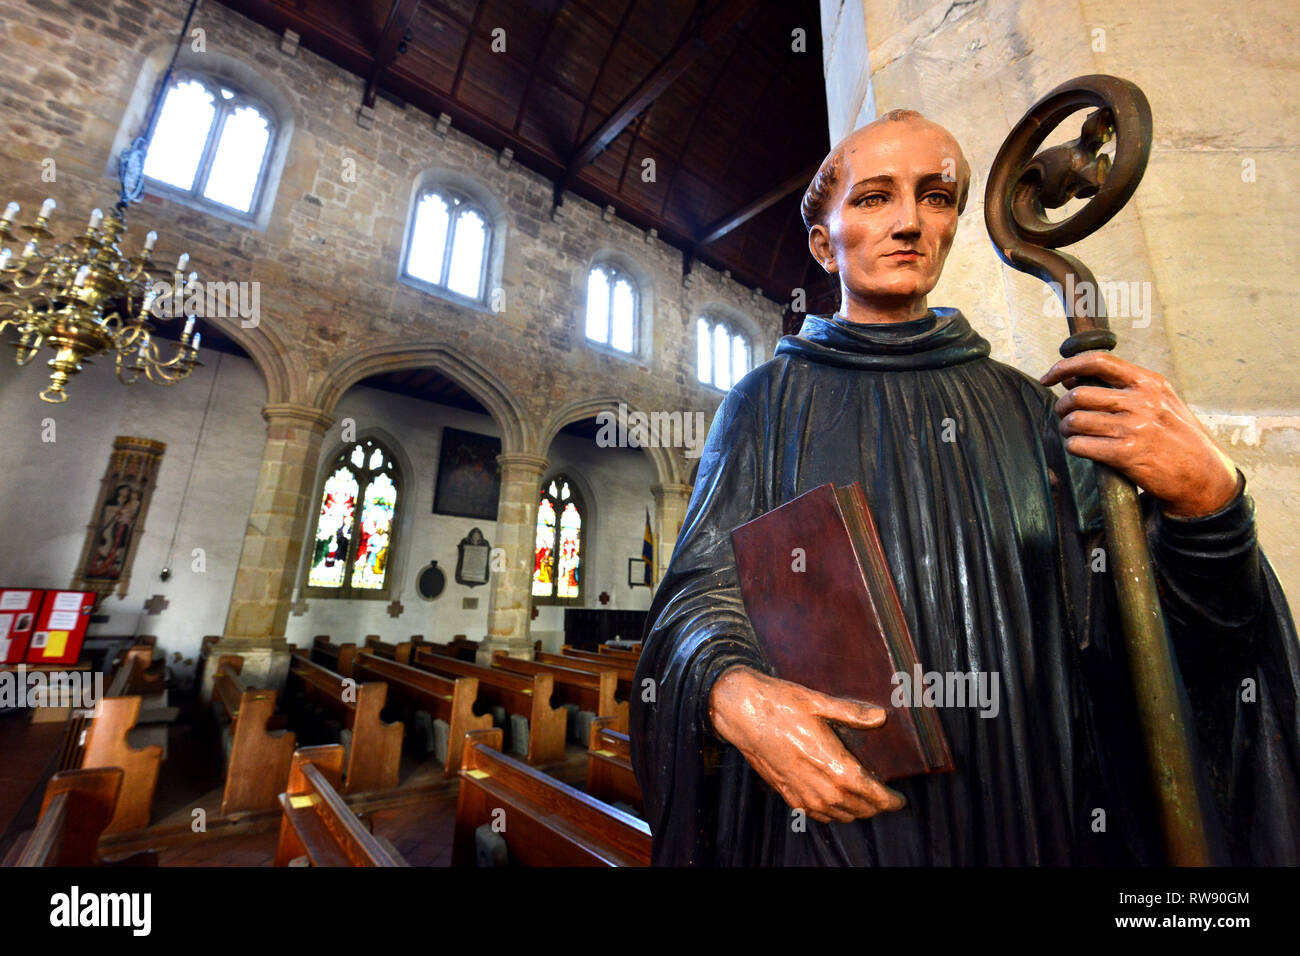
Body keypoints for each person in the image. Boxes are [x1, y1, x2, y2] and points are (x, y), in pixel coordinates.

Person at [630, 109, 1300, 866]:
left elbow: (1146, 639)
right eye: (875, 197)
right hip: (836, 823)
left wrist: (1208, 507)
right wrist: (729, 691)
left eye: (937, 197)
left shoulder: (1033, 410)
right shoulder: (763, 404)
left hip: (1029, 807)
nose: (910, 222)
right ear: (824, 242)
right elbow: (693, 604)